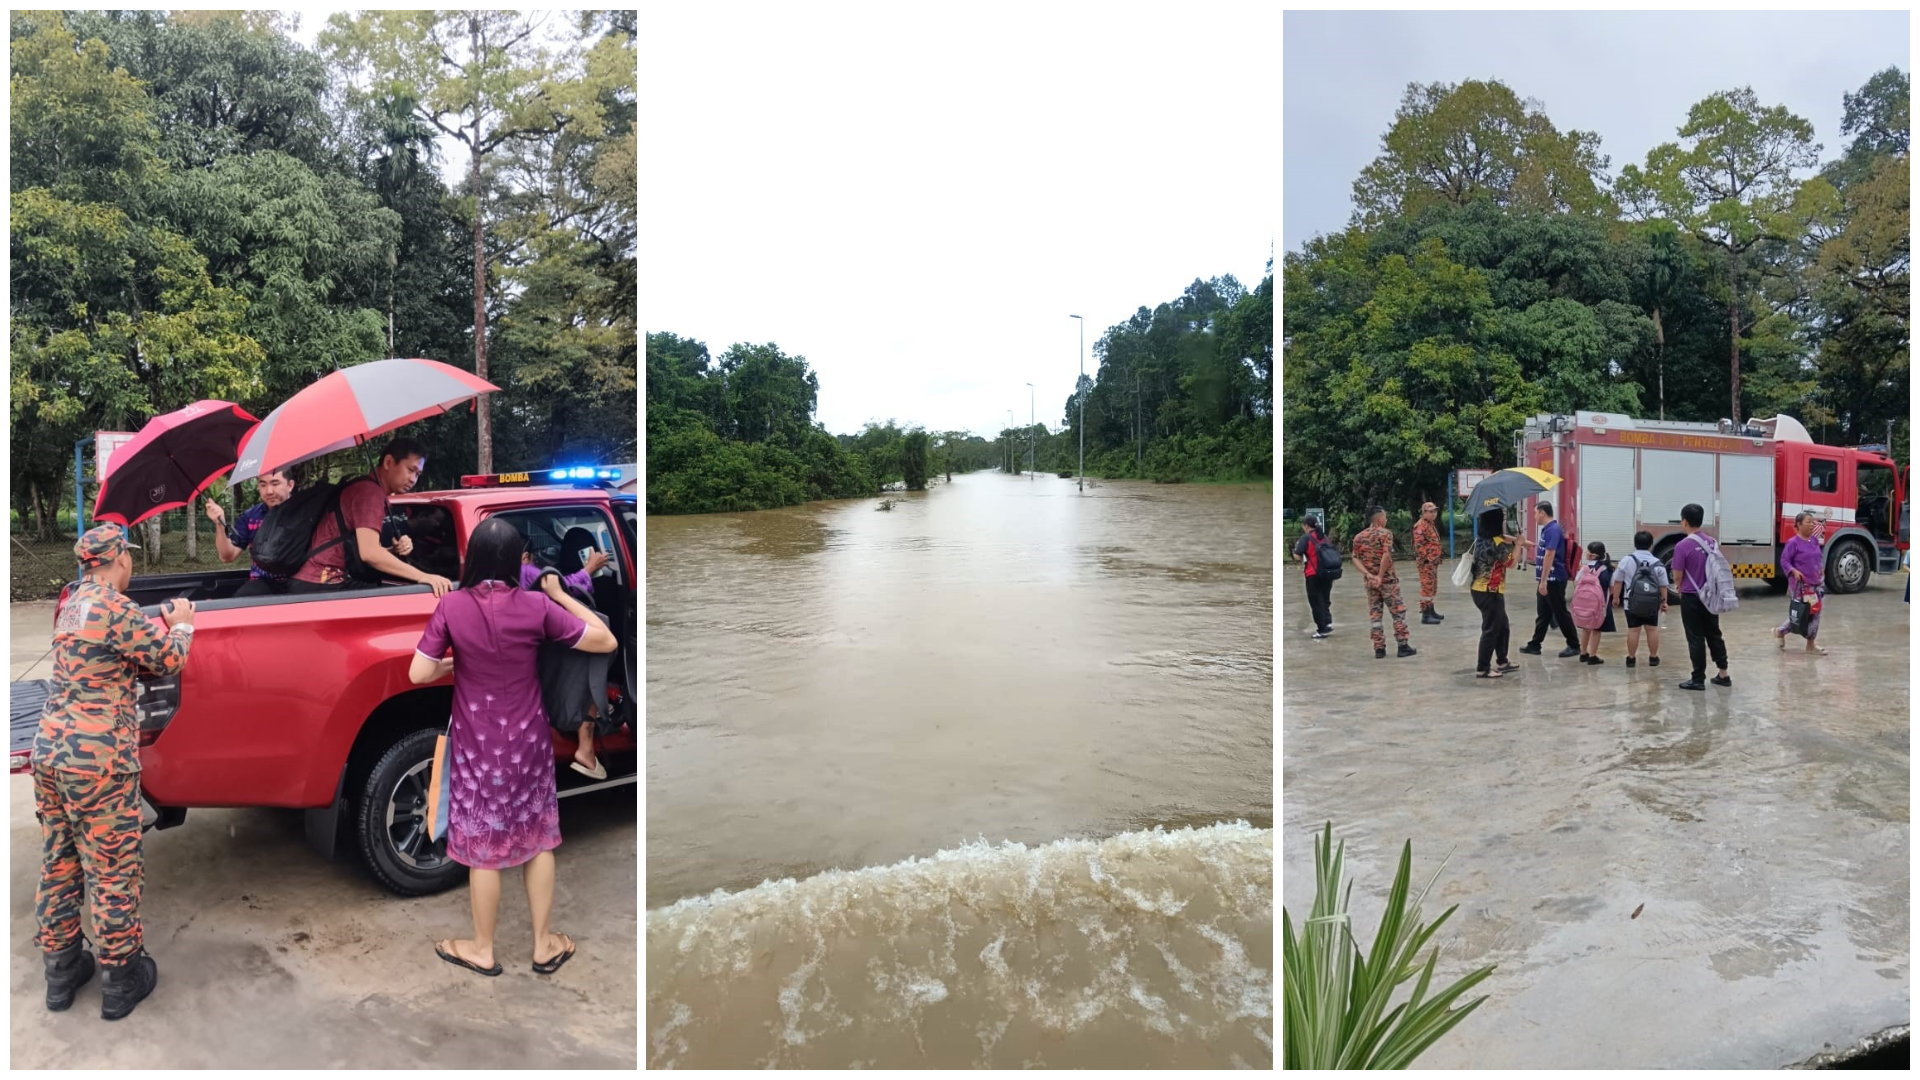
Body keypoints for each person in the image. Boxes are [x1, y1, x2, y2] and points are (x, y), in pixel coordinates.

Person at [411, 517, 618, 978]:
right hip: (528, 743)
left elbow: (417, 674)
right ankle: (544, 945)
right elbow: (606, 639)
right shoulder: (535, 607)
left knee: (484, 847)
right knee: (537, 838)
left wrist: (457, 666)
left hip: (475, 748)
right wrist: (561, 594)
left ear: (473, 559)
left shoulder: (452, 607)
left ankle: (482, 949)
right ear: (517, 561)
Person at [33, 526, 195, 1020]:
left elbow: (99, 660)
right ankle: (122, 979)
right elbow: (169, 658)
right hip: (98, 761)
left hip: (51, 753)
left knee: (60, 862)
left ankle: (61, 974)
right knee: (112, 871)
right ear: (118, 559)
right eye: (130, 557)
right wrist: (182, 623)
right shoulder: (114, 606)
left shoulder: (72, 606)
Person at [292, 438, 448, 597]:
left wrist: (391, 550)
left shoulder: (365, 488)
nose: (413, 479)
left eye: (418, 474)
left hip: (311, 582)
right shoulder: (370, 493)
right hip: (323, 582)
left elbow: (363, 550)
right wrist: (422, 576)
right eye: (410, 469)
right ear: (388, 462)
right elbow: (370, 554)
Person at [206, 468, 300, 596]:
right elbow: (227, 556)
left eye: (275, 483)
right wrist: (219, 524)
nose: (269, 491)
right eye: (263, 485)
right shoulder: (250, 517)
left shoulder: (305, 513)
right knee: (241, 602)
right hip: (261, 583)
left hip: (300, 581)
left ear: (290, 485)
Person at [1671, 502, 1730, 690]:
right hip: (1711, 595)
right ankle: (1723, 674)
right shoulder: (1711, 542)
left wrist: (1678, 586)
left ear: (1685, 521)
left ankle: (1697, 679)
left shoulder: (1682, 545)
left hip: (1691, 596)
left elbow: (1677, 575)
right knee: (1714, 634)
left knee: (1695, 638)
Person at [1351, 506, 1416, 659]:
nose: (1386, 520)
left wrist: (1368, 574)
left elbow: (1354, 557)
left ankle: (1379, 648)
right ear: (1380, 519)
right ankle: (1402, 646)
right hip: (1387, 581)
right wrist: (1380, 576)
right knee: (1398, 612)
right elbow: (1386, 555)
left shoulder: (1359, 537)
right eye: (1385, 518)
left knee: (1375, 615)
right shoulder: (1385, 534)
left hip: (1370, 583)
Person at [1519, 501, 1581, 658]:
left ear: (1542, 513)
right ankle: (1535, 644)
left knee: (1560, 612)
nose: (1534, 516)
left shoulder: (1553, 530)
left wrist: (1544, 580)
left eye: (1535, 513)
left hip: (1553, 579)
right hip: (1547, 579)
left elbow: (1550, 554)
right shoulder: (1547, 530)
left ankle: (1574, 645)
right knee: (1544, 613)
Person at [1468, 508, 1519, 680]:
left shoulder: (1482, 539)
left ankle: (1502, 660)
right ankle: (1482, 668)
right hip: (1489, 591)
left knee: (1502, 624)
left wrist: (1519, 541)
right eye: (1502, 518)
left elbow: (1504, 538)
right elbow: (1511, 563)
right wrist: (1519, 545)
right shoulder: (1497, 543)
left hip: (1481, 590)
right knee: (1491, 629)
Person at [1773, 511, 1828, 656]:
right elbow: (1784, 561)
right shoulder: (1793, 543)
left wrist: (1821, 568)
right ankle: (1780, 631)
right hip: (1801, 586)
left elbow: (1818, 557)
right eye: (1808, 521)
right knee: (1802, 614)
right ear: (1798, 524)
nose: (1812, 524)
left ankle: (1811, 645)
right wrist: (1794, 571)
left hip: (1816, 584)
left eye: (1813, 522)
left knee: (1815, 614)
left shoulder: (1814, 540)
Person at [1612, 530, 1670, 669]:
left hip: (1631, 602)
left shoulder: (1627, 560)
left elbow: (1618, 581)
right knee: (1652, 630)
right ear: (1651, 545)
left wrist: (1615, 598)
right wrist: (1664, 602)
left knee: (1633, 630)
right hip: (1652, 603)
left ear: (1635, 544)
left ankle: (1631, 659)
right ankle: (1653, 658)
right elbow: (1663, 586)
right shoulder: (1658, 563)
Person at [1572, 540, 1617, 664]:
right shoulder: (1608, 569)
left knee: (1585, 629)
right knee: (1596, 630)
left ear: (1593, 555)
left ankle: (1583, 653)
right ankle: (1593, 656)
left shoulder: (1585, 568)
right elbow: (1612, 588)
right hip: (1601, 605)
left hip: (1584, 604)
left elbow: (1576, 582)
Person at [1293, 515, 1334, 639]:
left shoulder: (1306, 538)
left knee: (1315, 601)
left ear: (1306, 526)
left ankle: (1321, 629)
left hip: (1313, 574)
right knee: (1325, 599)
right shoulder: (1324, 537)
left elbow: (1297, 555)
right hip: (1328, 573)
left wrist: (1294, 552)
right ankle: (1328, 623)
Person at [1413, 502, 1446, 624]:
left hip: (1433, 561)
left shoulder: (1430, 524)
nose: (1433, 514)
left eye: (1434, 511)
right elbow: (1419, 546)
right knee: (1426, 587)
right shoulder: (1420, 526)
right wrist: (1427, 558)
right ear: (1424, 513)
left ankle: (1431, 611)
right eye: (1430, 512)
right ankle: (1426, 615)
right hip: (1426, 562)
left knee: (1432, 586)